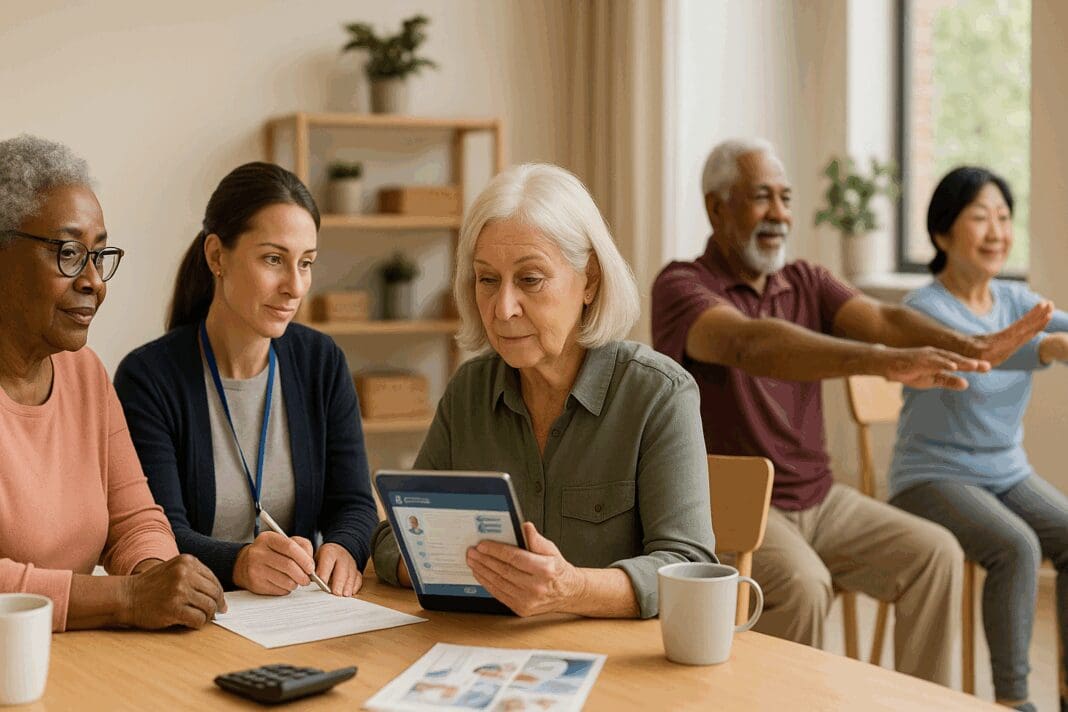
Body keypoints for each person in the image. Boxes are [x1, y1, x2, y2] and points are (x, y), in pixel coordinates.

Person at [651, 138, 1053, 686]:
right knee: (803, 584)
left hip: (821, 497)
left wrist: (969, 345)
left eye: (786, 198)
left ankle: (920, 704)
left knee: (933, 554)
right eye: (761, 197)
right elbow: (751, 344)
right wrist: (881, 364)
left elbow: (885, 321)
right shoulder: (681, 286)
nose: (780, 214)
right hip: (738, 506)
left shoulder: (808, 281)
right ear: (716, 207)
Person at [372, 163, 716, 618]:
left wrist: (569, 588)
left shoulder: (659, 394)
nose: (503, 307)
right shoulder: (469, 391)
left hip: (622, 670)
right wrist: (482, 571)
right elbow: (394, 538)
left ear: (589, 280)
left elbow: (687, 568)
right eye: (487, 280)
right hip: (487, 657)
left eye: (530, 279)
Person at [114, 162, 378, 598]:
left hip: (296, 614)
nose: (295, 286)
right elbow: (155, 532)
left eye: (306, 263)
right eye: (274, 259)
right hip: (195, 618)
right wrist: (237, 563)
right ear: (217, 255)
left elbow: (352, 503)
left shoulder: (322, 362)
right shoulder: (148, 379)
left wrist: (344, 547)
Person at [0, 134, 225, 631]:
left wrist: (159, 578)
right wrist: (125, 596)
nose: (93, 281)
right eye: (68, 253)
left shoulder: (86, 375)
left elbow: (134, 522)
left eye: (98, 256)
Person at [887, 167, 1068, 712]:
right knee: (1016, 546)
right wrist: (1047, 350)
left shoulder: (1017, 302)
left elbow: (1061, 326)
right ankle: (1015, 701)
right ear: (943, 233)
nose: (997, 230)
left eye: (1005, 217)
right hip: (930, 476)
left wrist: (1058, 338)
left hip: (1006, 472)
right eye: (980, 216)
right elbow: (977, 353)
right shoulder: (924, 311)